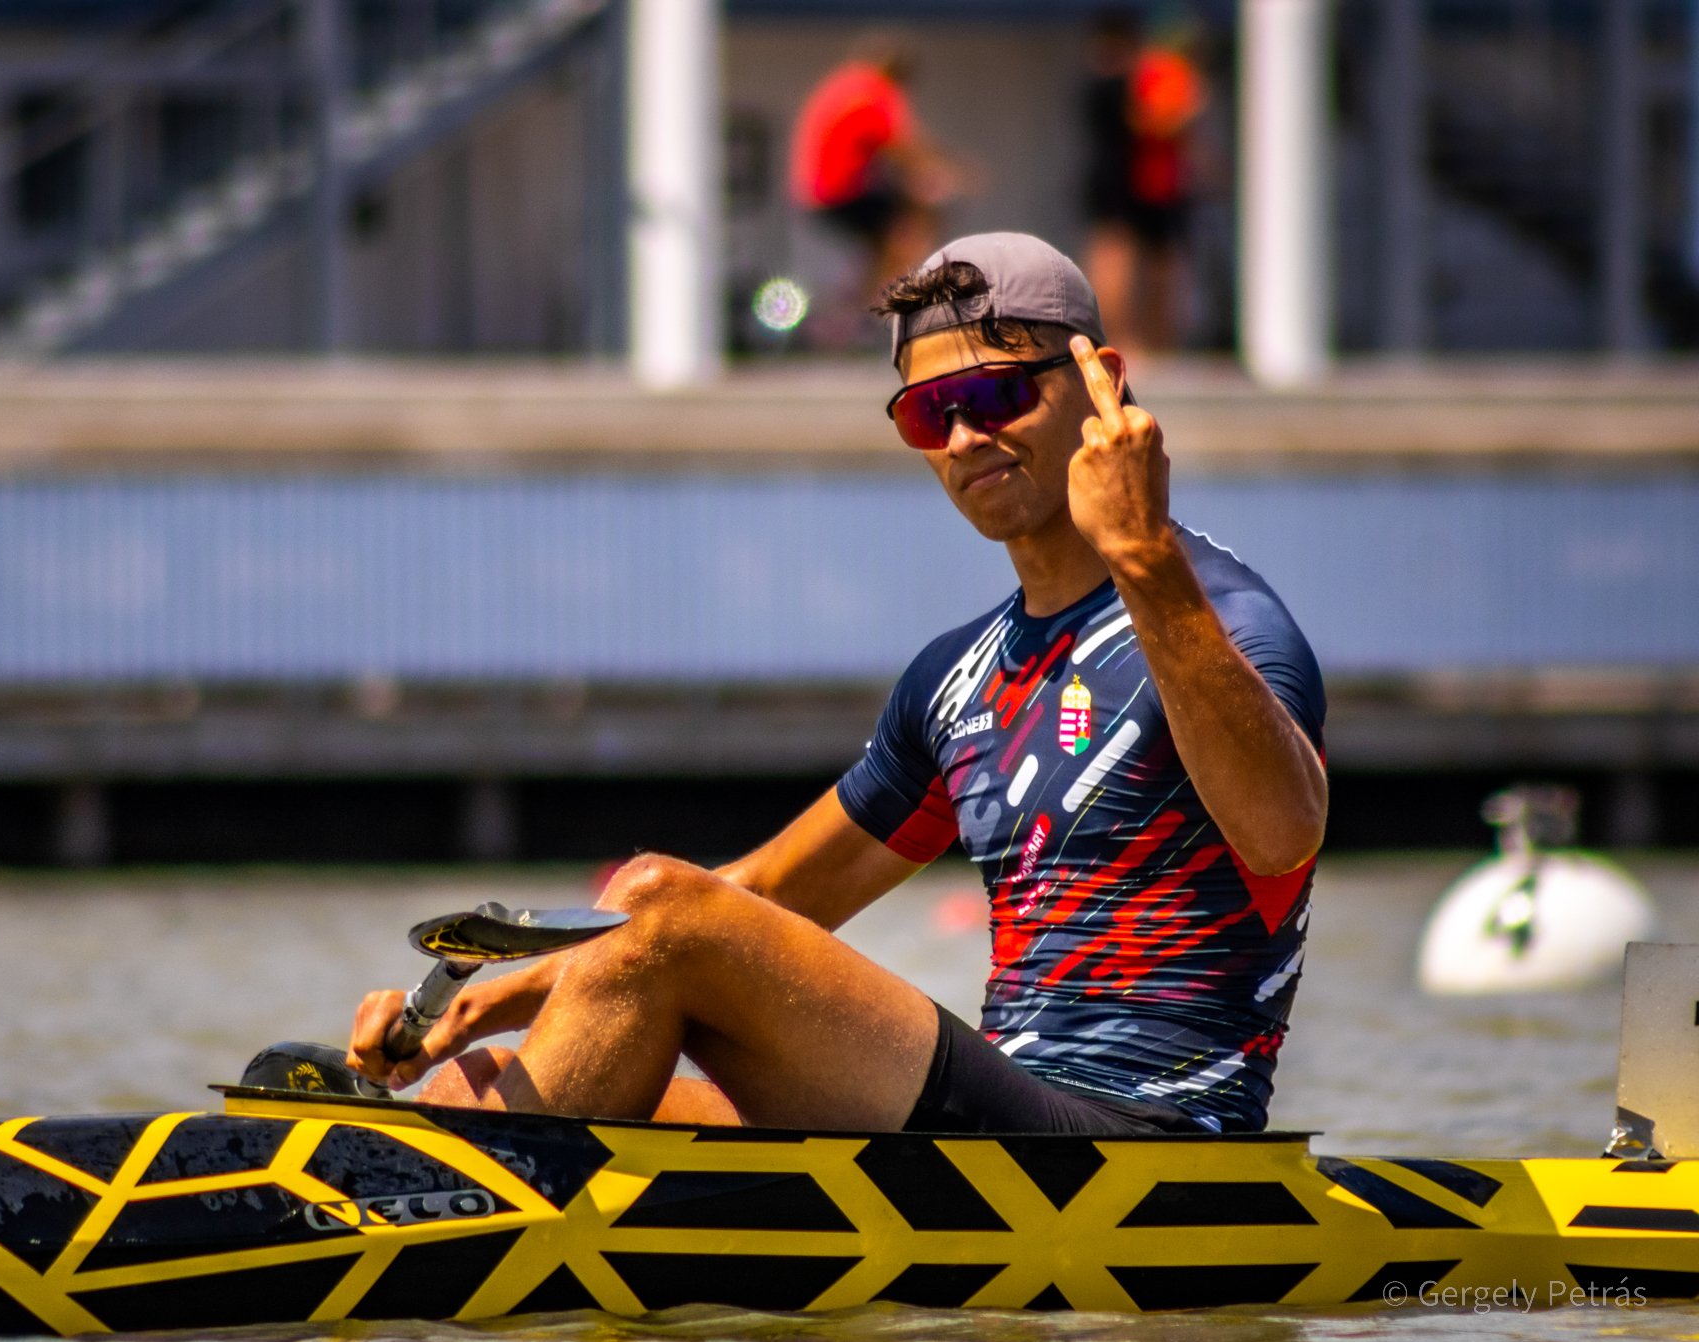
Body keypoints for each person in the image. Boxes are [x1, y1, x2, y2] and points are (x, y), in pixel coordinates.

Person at [348, 233, 1327, 1137]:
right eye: (925, 415)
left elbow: (1280, 833)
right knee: (471, 1086)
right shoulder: (954, 679)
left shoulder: (1227, 624)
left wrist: (1144, 558)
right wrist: (493, 998)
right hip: (1010, 1114)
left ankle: (433, 1227)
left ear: (1099, 381)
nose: (962, 440)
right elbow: (771, 894)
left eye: (991, 399)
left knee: (653, 897)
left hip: (1151, 1139)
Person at [787, 36, 971, 337]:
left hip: (816, 192)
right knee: (912, 224)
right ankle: (892, 303)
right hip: (840, 190)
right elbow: (908, 147)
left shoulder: (846, 83)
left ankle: (863, 305)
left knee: (883, 236)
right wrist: (954, 172)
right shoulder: (875, 90)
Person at [1082, 12, 1206, 353]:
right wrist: (1185, 113)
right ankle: (1126, 339)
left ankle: (1149, 340)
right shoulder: (1121, 81)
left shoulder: (1116, 78)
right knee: (1119, 261)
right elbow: (1149, 124)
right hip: (1127, 182)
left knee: (1151, 264)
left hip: (1144, 183)